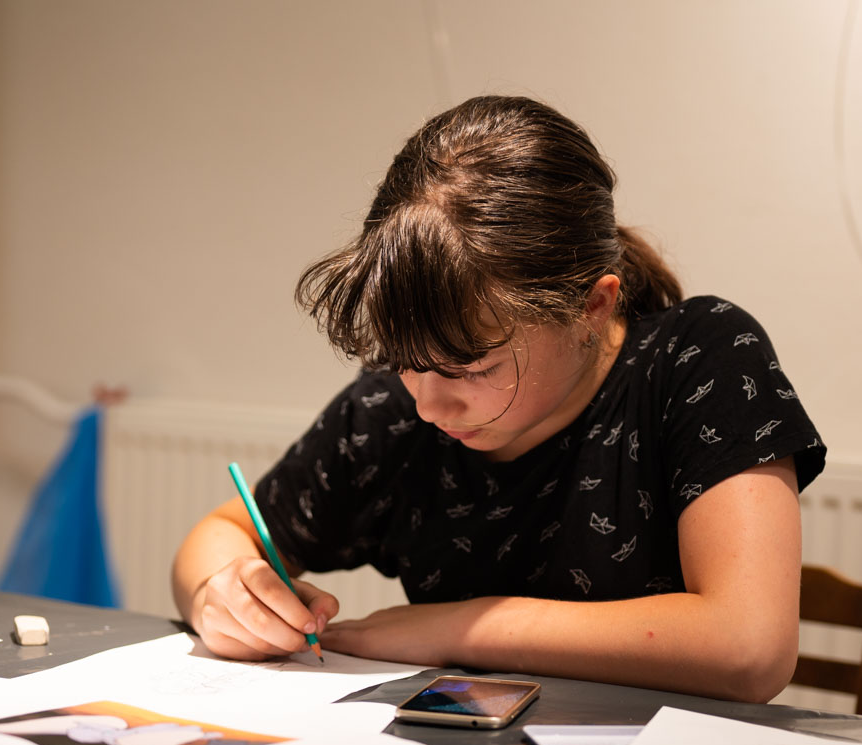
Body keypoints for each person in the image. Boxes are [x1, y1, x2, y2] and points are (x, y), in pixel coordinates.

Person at [170, 95, 825, 703]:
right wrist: (220, 594)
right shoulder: (391, 415)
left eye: (471, 367)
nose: (428, 406)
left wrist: (461, 628)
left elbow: (749, 648)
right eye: (405, 360)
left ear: (592, 307)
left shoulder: (697, 360)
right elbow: (227, 532)